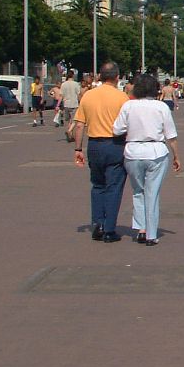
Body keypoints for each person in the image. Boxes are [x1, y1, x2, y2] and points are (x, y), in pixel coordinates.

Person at [112, 73, 182, 245]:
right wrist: (176, 156)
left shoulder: (128, 106)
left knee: (138, 191)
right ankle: (151, 234)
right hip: (156, 152)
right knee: (152, 193)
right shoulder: (161, 107)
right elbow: (171, 136)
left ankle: (141, 229)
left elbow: (117, 130)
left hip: (133, 152)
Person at [71, 62, 130, 242]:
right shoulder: (122, 98)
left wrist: (78, 148)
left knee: (97, 185)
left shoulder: (88, 96)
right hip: (115, 145)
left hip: (94, 144)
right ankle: (109, 228)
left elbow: (79, 125)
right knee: (114, 187)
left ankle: (98, 223)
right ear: (116, 77)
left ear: (100, 76)